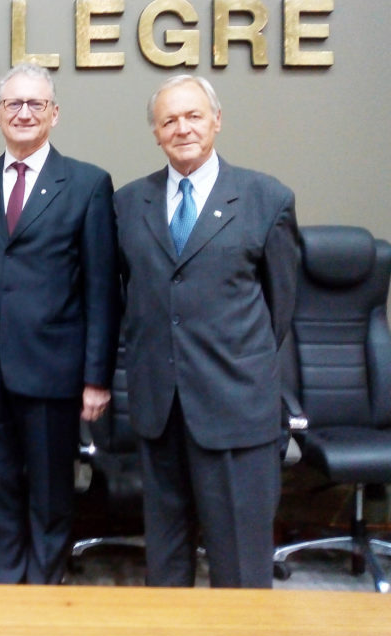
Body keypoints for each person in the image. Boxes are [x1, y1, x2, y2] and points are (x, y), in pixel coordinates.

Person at [114, 74, 298, 588]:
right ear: (156, 132)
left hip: (235, 407)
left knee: (240, 565)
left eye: (194, 115)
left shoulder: (266, 198)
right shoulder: (128, 204)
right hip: (160, 410)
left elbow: (280, 306)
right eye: (169, 119)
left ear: (216, 120)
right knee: (166, 565)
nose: (183, 128)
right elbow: (129, 299)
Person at [0, 64, 120, 584]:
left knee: (50, 491)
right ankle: (6, 585)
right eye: (13, 104)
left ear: (54, 114)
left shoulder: (88, 184)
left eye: (35, 104)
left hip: (53, 369)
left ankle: (44, 586)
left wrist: (97, 377)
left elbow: (101, 287)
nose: (24, 113)